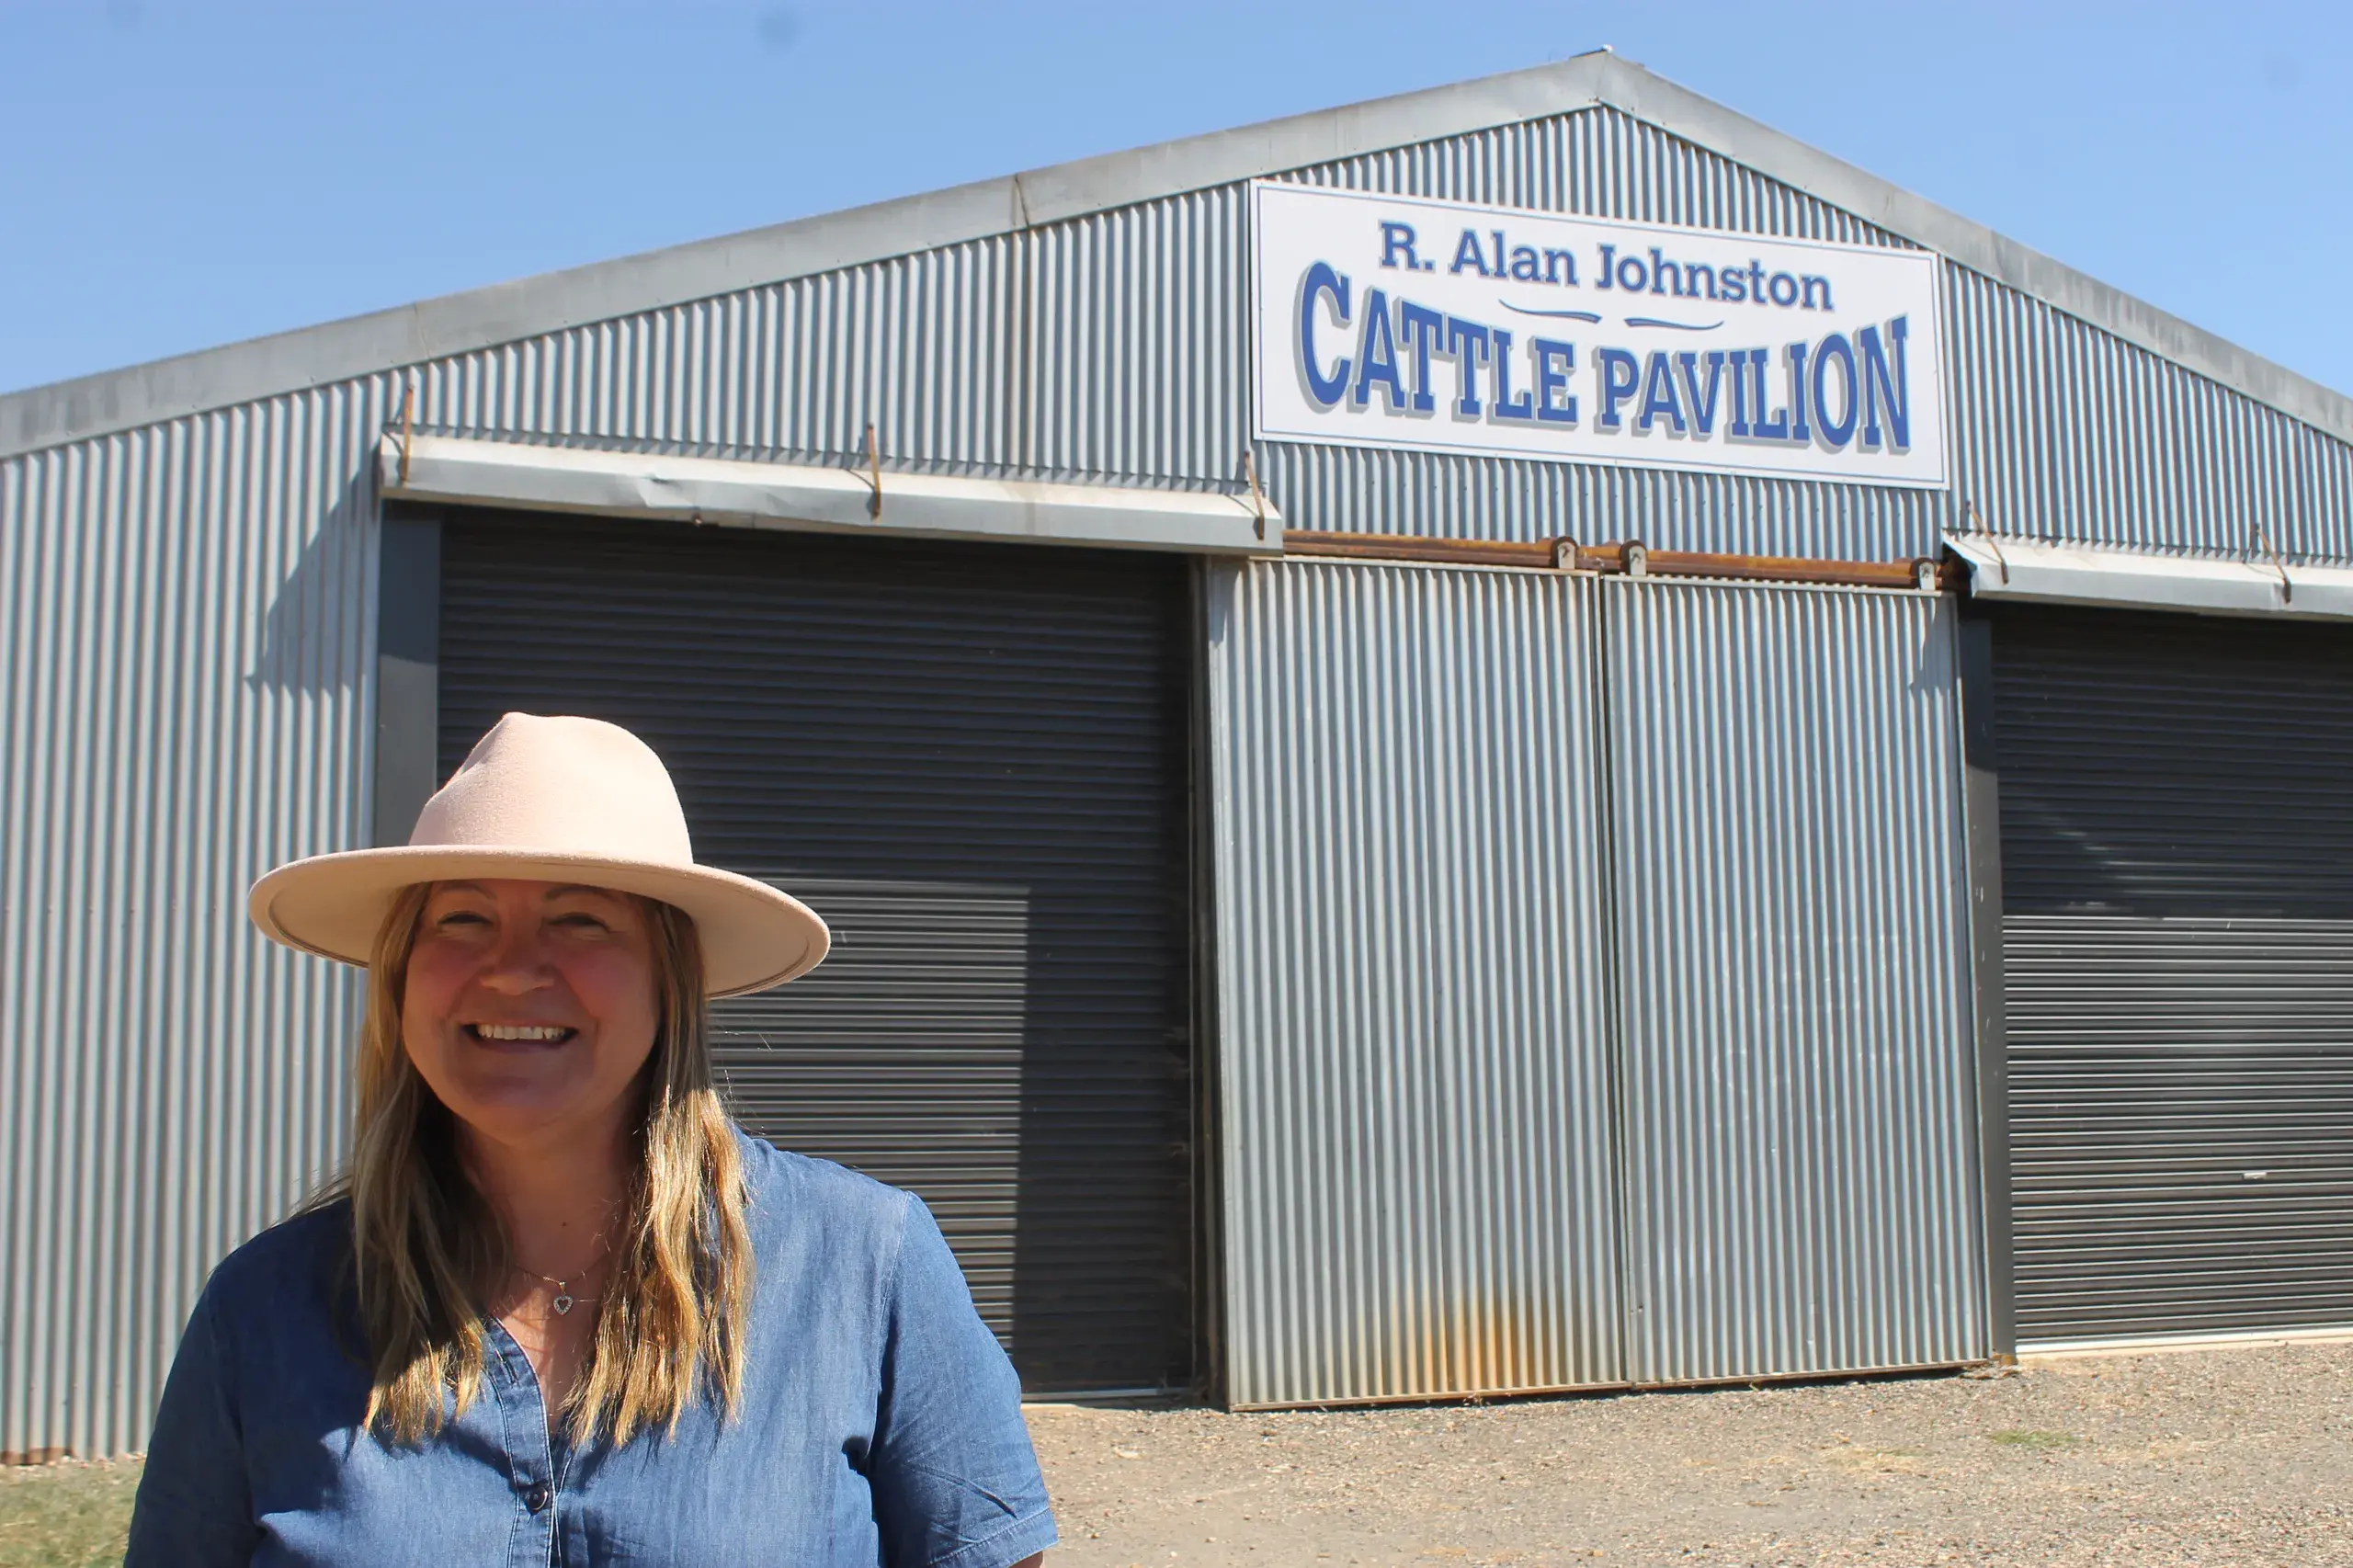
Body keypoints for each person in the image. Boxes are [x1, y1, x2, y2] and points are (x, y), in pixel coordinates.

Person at [126, 712, 1055, 1567]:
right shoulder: (266, 1307)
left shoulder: (864, 1266)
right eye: (462, 917)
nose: (514, 968)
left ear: (669, 978)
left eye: (580, 918)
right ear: (403, 975)